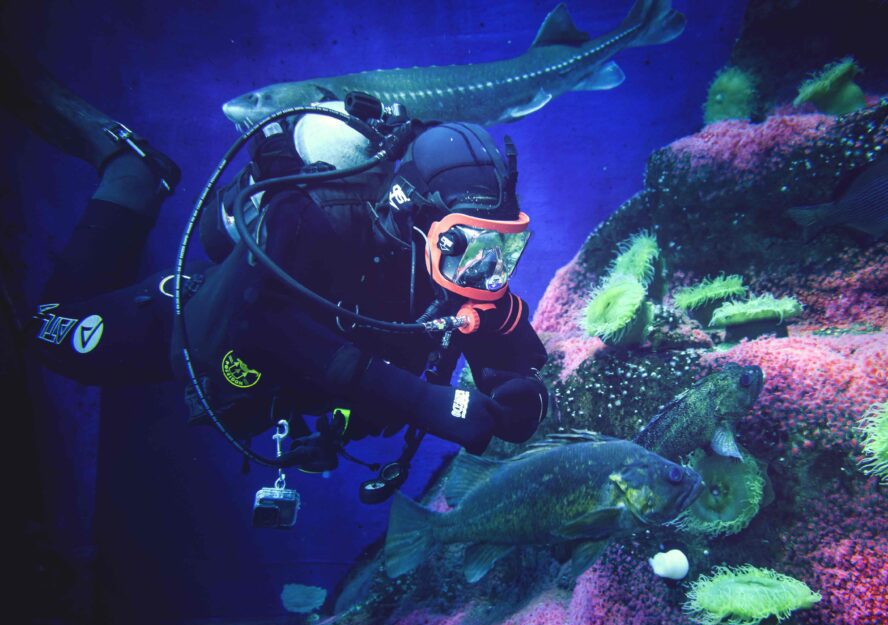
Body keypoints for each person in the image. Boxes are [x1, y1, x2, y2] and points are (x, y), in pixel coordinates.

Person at [11, 62, 549, 502]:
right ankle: (131, 172)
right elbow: (262, 321)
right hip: (189, 321)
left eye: (501, 245)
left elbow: (491, 327)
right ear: (413, 215)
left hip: (288, 369)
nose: (486, 269)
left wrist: (514, 387)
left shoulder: (452, 264)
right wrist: (425, 403)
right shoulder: (320, 225)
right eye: (469, 245)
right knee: (45, 333)